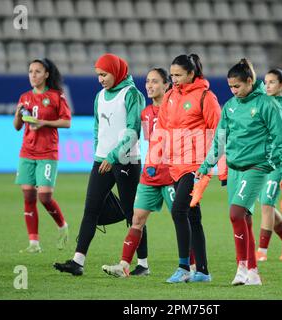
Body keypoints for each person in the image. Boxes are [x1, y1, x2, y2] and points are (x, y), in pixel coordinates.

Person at [197, 59, 282, 286]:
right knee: (244, 220)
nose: (234, 91)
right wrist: (204, 167)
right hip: (234, 170)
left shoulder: (267, 105)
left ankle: (241, 267)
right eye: (230, 87)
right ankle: (252, 273)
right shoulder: (230, 106)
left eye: (237, 86)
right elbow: (219, 141)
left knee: (235, 213)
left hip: (257, 168)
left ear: (250, 81)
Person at [53, 54, 145, 275]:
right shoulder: (100, 96)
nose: (100, 79)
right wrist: (99, 153)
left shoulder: (131, 94)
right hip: (101, 161)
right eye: (98, 75)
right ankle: (78, 262)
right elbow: (97, 129)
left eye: (104, 74)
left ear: (117, 71)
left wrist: (112, 156)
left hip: (126, 160)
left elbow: (134, 131)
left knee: (134, 214)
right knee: (91, 209)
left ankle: (143, 264)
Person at [153, 54, 224, 283]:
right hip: (175, 165)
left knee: (178, 210)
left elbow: (220, 131)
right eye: (171, 75)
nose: (173, 79)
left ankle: (184, 267)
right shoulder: (170, 97)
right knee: (193, 217)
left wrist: (219, 167)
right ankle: (202, 271)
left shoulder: (206, 97)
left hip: (196, 166)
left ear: (191, 74)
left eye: (178, 75)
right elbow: (161, 130)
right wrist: (155, 160)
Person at [101, 68, 177, 278]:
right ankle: (124, 265)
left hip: (172, 176)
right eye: (147, 82)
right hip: (150, 175)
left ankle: (193, 266)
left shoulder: (175, 110)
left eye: (155, 82)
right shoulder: (145, 114)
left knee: (181, 220)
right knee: (137, 220)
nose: (150, 86)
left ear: (166, 85)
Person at [14, 58, 71, 253]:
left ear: (46, 74)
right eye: (30, 71)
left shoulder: (56, 96)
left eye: (37, 71)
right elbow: (17, 127)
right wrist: (17, 115)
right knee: (28, 195)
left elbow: (66, 122)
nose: (33, 75)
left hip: (47, 152)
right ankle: (34, 244)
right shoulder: (24, 97)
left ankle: (62, 226)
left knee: (44, 196)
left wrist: (44, 122)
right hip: (27, 152)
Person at [256, 69, 282, 262]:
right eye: (265, 82)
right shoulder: (263, 100)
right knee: (267, 206)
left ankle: (262, 251)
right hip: (260, 161)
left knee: (266, 204)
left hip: (276, 162)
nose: (267, 86)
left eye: (272, 82)